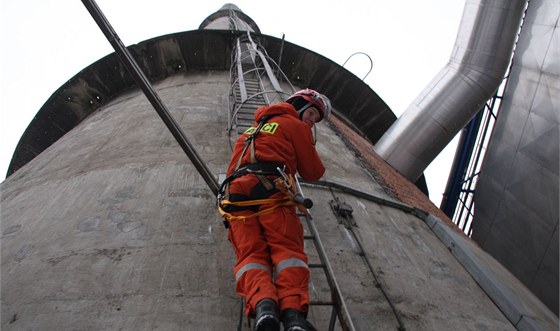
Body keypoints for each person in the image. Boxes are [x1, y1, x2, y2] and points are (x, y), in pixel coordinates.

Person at [217, 89, 331, 331]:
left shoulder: (250, 131)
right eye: (311, 114)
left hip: (236, 195)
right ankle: (293, 317)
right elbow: (313, 171)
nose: (311, 122)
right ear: (299, 106)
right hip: (272, 189)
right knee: (287, 252)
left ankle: (264, 309)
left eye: (315, 119)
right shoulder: (294, 126)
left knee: (250, 257)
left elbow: (231, 167)